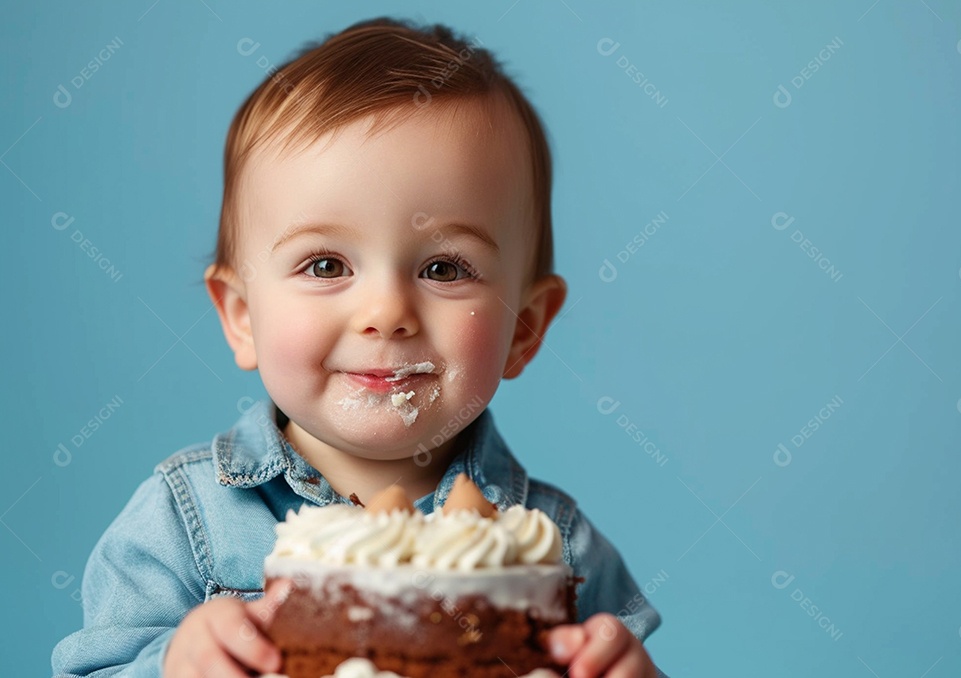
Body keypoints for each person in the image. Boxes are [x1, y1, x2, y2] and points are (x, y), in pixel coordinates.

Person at [52, 16, 664, 678]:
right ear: (242, 316)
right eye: (325, 265)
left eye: (443, 268)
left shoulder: (557, 543)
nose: (385, 314)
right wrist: (174, 665)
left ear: (524, 327)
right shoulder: (182, 520)